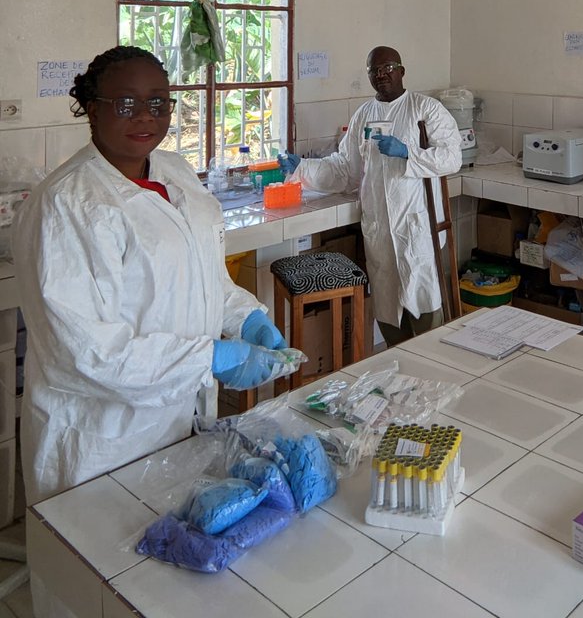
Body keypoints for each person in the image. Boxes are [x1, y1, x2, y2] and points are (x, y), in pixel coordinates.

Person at [12, 45, 288, 513]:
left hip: (176, 419)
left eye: (158, 102)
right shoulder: (67, 205)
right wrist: (210, 357)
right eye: (126, 103)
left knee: (172, 565)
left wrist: (247, 320)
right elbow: (86, 353)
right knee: (99, 577)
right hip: (103, 438)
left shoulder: (175, 172)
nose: (145, 116)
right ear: (91, 109)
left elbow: (203, 278)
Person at [283, 46, 462, 346]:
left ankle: (433, 375)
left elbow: (451, 156)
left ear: (402, 70)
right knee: (389, 310)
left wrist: (409, 153)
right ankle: (399, 374)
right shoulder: (364, 116)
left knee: (425, 308)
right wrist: (303, 168)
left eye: (387, 67)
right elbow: (345, 169)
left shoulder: (424, 109)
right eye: (373, 71)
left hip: (416, 227)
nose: (381, 75)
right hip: (379, 228)